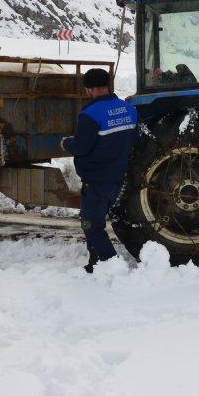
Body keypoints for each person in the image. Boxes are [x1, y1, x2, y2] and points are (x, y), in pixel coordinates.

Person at [61, 68, 138, 272]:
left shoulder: (89, 115)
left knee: (91, 226)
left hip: (97, 181)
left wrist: (66, 143)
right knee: (96, 222)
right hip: (120, 177)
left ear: (91, 90)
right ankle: (94, 260)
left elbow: (82, 147)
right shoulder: (129, 109)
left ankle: (110, 265)